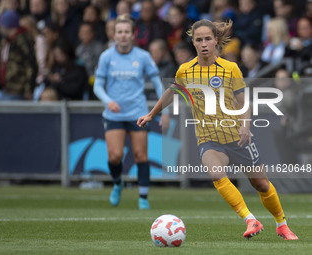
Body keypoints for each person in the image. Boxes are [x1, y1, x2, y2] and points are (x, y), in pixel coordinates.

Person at [137, 19, 299, 240]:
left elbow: (244, 102)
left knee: (261, 184)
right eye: (198, 40)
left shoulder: (230, 68)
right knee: (216, 173)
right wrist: (151, 113)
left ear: (215, 41)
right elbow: (172, 91)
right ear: (193, 42)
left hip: (237, 136)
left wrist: (245, 126)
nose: (203, 44)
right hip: (209, 139)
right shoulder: (185, 70)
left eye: (207, 39)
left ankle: (282, 225)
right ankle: (251, 220)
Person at [94, 14, 169, 210]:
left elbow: (158, 84)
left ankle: (143, 198)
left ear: (133, 34)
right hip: (114, 115)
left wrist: (163, 110)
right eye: (120, 32)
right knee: (115, 156)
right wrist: (108, 101)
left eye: (127, 31)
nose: (123, 35)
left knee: (140, 155)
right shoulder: (106, 57)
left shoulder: (143, 57)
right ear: (114, 34)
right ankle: (118, 182)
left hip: (138, 113)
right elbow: (97, 86)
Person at [0, 10, 38, 100]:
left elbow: (31, 65)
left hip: (18, 89)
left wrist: (29, 89)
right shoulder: (5, 41)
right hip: (5, 87)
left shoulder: (23, 41)